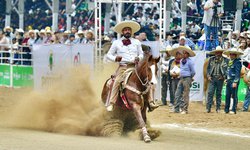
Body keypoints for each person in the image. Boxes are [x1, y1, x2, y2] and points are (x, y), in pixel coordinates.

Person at [106, 20, 158, 112]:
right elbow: (108, 55)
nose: (127, 31)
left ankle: (150, 102)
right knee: (117, 81)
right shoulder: (116, 43)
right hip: (123, 67)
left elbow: (141, 54)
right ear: (122, 32)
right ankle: (112, 102)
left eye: (129, 30)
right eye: (125, 30)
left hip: (136, 66)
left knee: (147, 80)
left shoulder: (137, 42)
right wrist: (115, 58)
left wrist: (138, 57)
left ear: (131, 32)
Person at [172, 46, 196, 114]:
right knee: (177, 93)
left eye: (185, 53)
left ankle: (184, 109)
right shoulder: (182, 60)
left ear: (188, 54)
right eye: (183, 53)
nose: (184, 54)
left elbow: (193, 72)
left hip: (187, 78)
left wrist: (190, 78)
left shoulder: (190, 62)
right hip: (182, 78)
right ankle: (176, 108)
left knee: (185, 94)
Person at [206, 46, 228, 113]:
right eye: (217, 52)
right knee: (210, 93)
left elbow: (227, 70)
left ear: (221, 52)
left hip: (220, 79)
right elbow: (208, 69)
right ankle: (208, 108)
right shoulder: (211, 59)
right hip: (212, 78)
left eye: (219, 52)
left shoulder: (226, 60)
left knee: (218, 93)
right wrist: (208, 76)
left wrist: (224, 76)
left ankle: (218, 108)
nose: (217, 53)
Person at [223, 48, 243, 114]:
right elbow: (228, 71)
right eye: (230, 54)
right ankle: (226, 109)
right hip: (229, 80)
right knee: (227, 95)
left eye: (232, 54)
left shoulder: (237, 62)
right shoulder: (229, 62)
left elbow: (237, 73)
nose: (231, 55)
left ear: (235, 55)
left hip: (234, 81)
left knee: (234, 95)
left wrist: (235, 81)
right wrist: (226, 78)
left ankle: (234, 109)